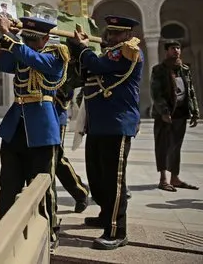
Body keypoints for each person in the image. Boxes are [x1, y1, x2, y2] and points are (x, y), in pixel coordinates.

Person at [0, 14, 69, 251]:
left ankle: (49, 229)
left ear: (46, 38)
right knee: (8, 183)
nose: (26, 41)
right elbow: (3, 65)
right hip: (16, 126)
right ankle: (4, 228)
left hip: (42, 128)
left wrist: (10, 36)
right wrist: (2, 37)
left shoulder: (56, 54)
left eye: (32, 38)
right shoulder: (21, 51)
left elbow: (40, 63)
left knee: (42, 186)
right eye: (25, 36)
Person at [69, 15, 144, 251]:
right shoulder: (108, 53)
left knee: (114, 181)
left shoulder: (128, 51)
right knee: (98, 176)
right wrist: (79, 54)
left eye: (116, 33)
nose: (110, 37)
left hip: (116, 124)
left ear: (128, 35)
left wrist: (82, 48)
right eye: (109, 33)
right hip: (98, 125)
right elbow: (87, 75)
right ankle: (105, 215)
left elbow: (100, 67)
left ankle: (116, 231)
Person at [151, 40, 199, 192]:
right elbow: (156, 94)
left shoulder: (184, 69)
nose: (176, 51)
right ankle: (163, 179)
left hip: (180, 114)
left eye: (178, 48)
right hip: (164, 115)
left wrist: (194, 110)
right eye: (173, 48)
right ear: (167, 51)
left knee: (175, 147)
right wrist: (164, 111)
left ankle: (175, 178)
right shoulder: (159, 70)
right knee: (163, 146)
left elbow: (190, 91)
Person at [54, 82, 90, 213]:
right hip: (31, 116)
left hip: (55, 115)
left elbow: (67, 93)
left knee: (56, 158)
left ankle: (80, 191)